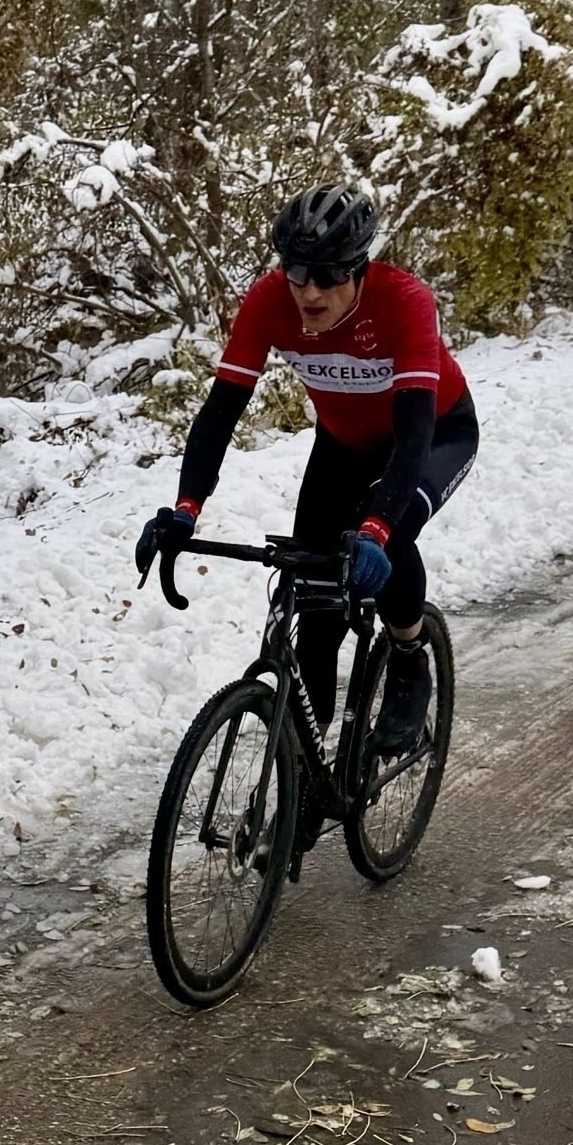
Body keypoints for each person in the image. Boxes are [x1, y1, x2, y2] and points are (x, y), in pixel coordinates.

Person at [136, 183, 478, 757]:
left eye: (326, 276)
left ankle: (409, 653)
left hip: (433, 435)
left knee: (391, 533)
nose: (309, 292)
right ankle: (306, 781)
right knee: (315, 623)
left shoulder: (404, 301)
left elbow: (415, 432)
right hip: (342, 444)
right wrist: (185, 509)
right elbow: (221, 412)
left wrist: (376, 530)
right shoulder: (270, 300)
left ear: (358, 269)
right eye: (298, 273)